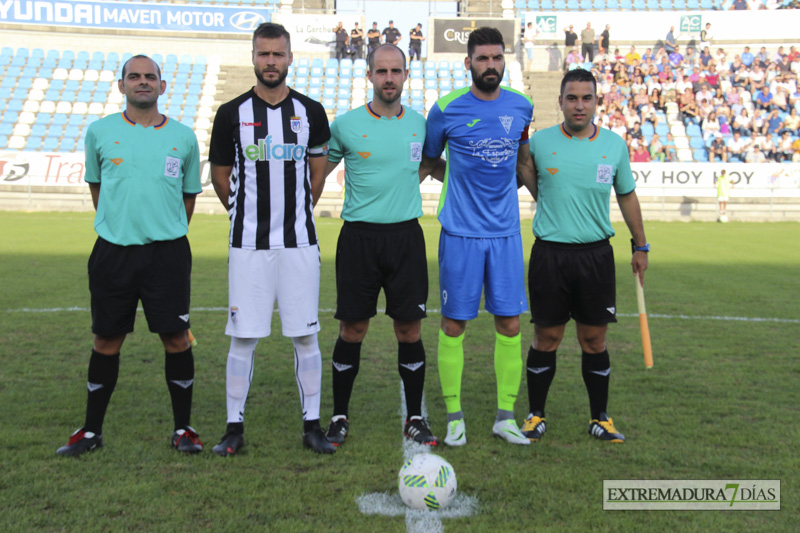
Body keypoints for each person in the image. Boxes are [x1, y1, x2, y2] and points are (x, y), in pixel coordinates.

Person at [56, 55, 203, 456]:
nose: (142, 82)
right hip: (113, 253)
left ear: (163, 86)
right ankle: (90, 432)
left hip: (167, 254)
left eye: (150, 77)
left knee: (176, 338)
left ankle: (183, 430)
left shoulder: (183, 137)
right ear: (121, 85)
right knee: (106, 338)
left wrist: (162, 229)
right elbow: (98, 190)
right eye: (134, 77)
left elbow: (188, 198)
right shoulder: (99, 132)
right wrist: (122, 226)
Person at [208, 22, 335, 456]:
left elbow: (317, 174)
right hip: (248, 245)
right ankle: (233, 429)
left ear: (290, 58)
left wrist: (297, 209)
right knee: (243, 337)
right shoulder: (230, 113)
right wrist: (244, 214)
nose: (270, 62)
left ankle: (312, 426)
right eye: (263, 54)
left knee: (305, 336)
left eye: (278, 54)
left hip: (299, 243)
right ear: (253, 57)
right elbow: (221, 176)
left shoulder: (311, 111)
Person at [519, 68, 648, 444]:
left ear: (596, 102)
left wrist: (640, 245)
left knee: (594, 340)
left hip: (595, 256)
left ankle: (600, 418)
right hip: (550, 255)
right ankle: (535, 414)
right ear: (559, 102)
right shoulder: (539, 143)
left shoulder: (613, 145)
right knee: (547, 337)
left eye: (586, 98)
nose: (579, 105)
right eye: (571, 98)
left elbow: (626, 194)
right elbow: (520, 171)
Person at [322, 44, 441, 448]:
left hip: (406, 237)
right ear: (369, 76)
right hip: (358, 239)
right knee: (352, 328)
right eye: (381, 71)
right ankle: (339, 416)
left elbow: (433, 165)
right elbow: (318, 171)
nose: (389, 78)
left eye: (396, 71)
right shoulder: (346, 126)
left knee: (409, 329)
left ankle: (415, 418)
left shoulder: (421, 125)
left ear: (406, 75)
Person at [420, 27, 534, 447]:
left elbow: (522, 164)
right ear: (467, 62)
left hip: (505, 234)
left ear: (504, 61)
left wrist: (529, 198)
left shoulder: (522, 108)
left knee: (509, 323)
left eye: (497, 58)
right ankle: (455, 417)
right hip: (461, 233)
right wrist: (460, 187)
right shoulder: (446, 109)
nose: (491, 65)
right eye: (482, 58)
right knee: (453, 325)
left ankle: (505, 417)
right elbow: (431, 162)